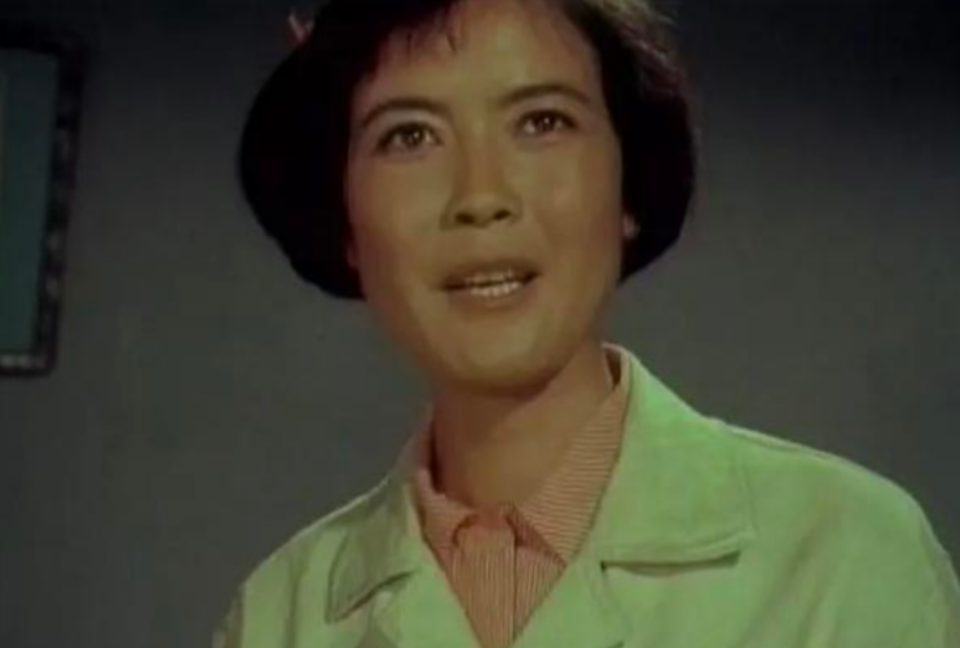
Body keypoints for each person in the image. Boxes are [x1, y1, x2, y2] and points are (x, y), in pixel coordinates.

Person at [214, 0, 960, 646]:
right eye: (408, 136)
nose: (480, 197)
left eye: (542, 121)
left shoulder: (848, 558)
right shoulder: (281, 617)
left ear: (629, 185)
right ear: (346, 222)